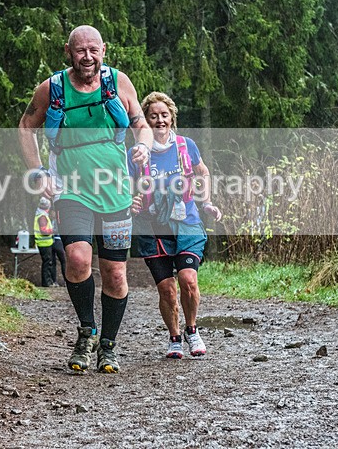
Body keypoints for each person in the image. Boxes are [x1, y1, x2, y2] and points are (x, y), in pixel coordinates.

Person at [19, 25, 152, 373]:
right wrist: (37, 172)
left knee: (115, 274)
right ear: (68, 51)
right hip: (71, 188)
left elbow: (140, 123)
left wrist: (143, 146)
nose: (88, 57)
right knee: (78, 259)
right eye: (81, 51)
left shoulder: (118, 82)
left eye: (94, 50)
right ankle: (86, 332)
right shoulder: (52, 88)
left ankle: (108, 345)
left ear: (103, 50)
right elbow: (26, 126)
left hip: (115, 191)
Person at [128, 92, 222, 359]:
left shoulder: (185, 145)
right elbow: (126, 187)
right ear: (145, 121)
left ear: (172, 118)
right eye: (153, 116)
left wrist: (206, 202)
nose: (159, 120)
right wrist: (131, 201)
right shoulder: (136, 154)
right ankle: (174, 337)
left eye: (164, 115)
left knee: (188, 280)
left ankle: (192, 330)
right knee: (167, 289)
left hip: (187, 223)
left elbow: (202, 172)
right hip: (152, 228)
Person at [34, 197, 65, 287]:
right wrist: (53, 231)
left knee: (49, 262)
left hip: (46, 242)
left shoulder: (41, 214)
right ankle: (47, 283)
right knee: (47, 263)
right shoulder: (42, 216)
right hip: (44, 243)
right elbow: (44, 231)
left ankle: (49, 282)